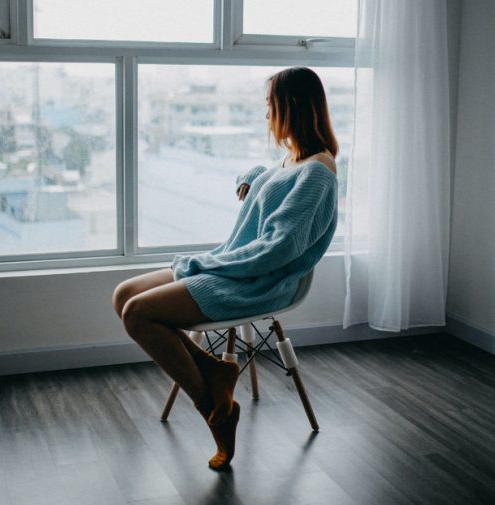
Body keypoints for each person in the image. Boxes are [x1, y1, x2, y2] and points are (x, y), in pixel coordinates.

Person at [112, 67, 339, 470]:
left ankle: (212, 409)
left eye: (271, 106)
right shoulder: (293, 158)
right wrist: (250, 178)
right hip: (237, 266)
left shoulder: (318, 173)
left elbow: (278, 250)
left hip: (259, 282)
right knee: (124, 294)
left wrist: (205, 264)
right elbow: (271, 179)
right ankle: (215, 375)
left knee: (137, 313)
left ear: (292, 107)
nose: (266, 115)